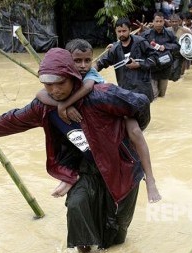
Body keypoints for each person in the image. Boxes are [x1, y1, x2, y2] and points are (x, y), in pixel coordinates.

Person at [0, 48, 152, 253]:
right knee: (77, 207)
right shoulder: (44, 107)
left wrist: (128, 131)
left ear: (72, 78)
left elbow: (140, 103)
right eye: (48, 85)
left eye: (60, 83)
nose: (55, 90)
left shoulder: (101, 96)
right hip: (86, 167)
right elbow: (13, 120)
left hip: (121, 167)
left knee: (115, 236)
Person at [40, 38, 160, 204]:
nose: (83, 65)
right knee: (75, 140)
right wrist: (63, 105)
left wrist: (64, 106)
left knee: (135, 132)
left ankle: (151, 179)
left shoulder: (90, 74)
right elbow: (40, 94)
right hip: (93, 118)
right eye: (77, 61)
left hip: (118, 109)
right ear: (68, 61)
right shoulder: (63, 77)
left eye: (87, 60)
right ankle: (69, 177)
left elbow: (88, 88)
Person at [95, 18, 156, 102]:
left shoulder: (141, 42)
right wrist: (88, 72)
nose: (121, 34)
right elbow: (101, 63)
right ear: (115, 32)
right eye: (119, 31)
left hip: (142, 90)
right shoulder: (114, 49)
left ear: (130, 30)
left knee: (142, 113)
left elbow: (154, 58)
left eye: (124, 31)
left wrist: (139, 65)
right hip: (125, 91)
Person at [141, 12, 180, 99]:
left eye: (160, 21)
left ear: (164, 22)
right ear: (153, 22)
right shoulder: (146, 34)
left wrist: (166, 46)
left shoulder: (170, 34)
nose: (159, 23)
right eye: (157, 21)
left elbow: (177, 46)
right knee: (154, 95)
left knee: (162, 95)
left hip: (165, 68)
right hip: (152, 68)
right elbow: (137, 46)